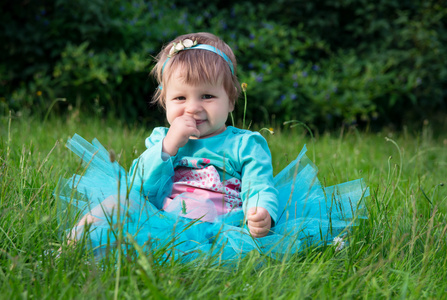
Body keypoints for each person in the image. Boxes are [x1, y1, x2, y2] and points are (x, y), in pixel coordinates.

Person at [56, 32, 369, 261]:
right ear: (164, 102)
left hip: (224, 226)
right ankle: (67, 249)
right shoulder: (160, 140)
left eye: (207, 96)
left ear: (230, 100)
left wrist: (261, 212)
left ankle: (323, 244)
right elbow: (140, 188)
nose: (192, 108)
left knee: (274, 236)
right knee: (117, 201)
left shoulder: (245, 144)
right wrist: (168, 147)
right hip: (164, 219)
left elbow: (259, 183)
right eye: (180, 98)